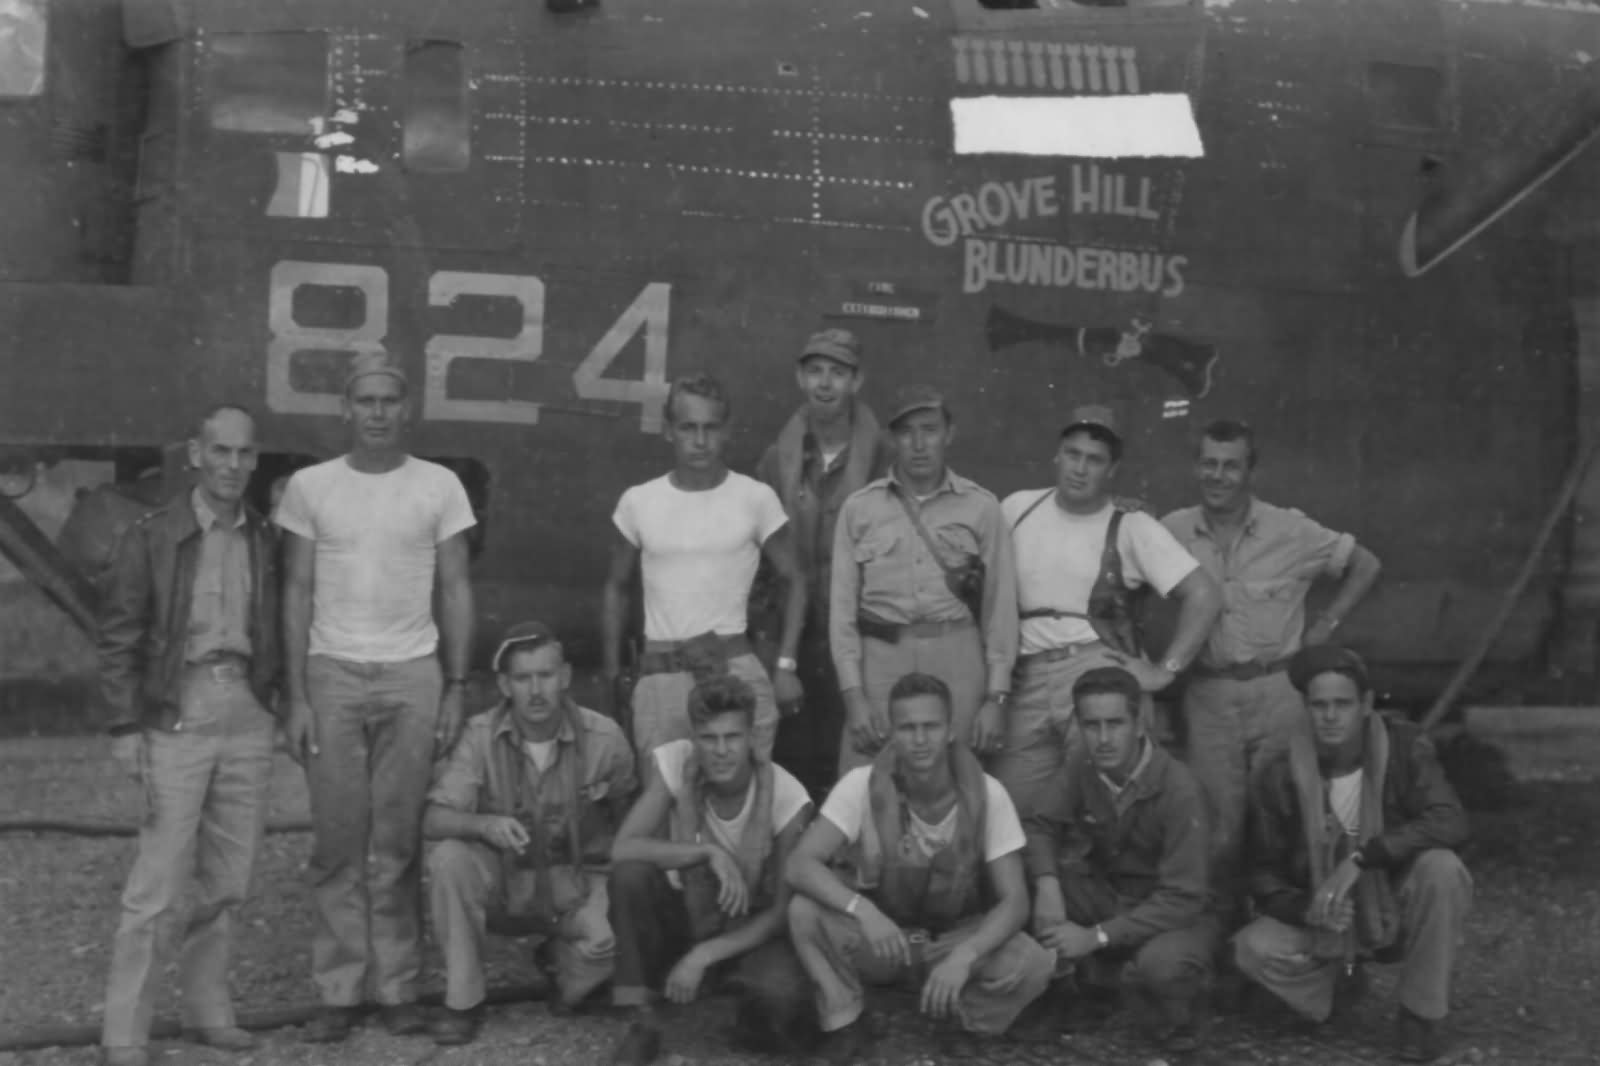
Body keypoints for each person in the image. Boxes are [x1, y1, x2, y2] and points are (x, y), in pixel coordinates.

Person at [274, 351, 478, 1041]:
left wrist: (454, 683)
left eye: (390, 400)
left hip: (412, 674)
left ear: (408, 408)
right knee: (337, 842)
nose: (379, 412)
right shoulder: (309, 488)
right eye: (366, 401)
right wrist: (297, 692)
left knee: (396, 844)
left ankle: (396, 989)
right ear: (345, 409)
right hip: (332, 674)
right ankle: (338, 989)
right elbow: (296, 590)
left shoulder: (440, 486)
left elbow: (454, 588)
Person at [95, 405, 281, 1066]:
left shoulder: (265, 537)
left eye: (245, 453)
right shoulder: (152, 537)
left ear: (256, 460)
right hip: (178, 709)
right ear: (196, 455)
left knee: (229, 880)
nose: (233, 465)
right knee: (158, 884)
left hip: (246, 712)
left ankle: (209, 1011)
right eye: (221, 451)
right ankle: (124, 1034)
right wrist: (124, 726)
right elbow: (119, 636)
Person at [1162, 420, 1383, 927]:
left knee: (1284, 820)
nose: (1218, 476)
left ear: (1250, 471)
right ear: (1197, 467)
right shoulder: (1170, 529)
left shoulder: (1291, 530)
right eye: (1209, 464)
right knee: (1217, 830)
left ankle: (1286, 933)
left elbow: (1366, 564)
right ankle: (1218, 944)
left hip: (1278, 691)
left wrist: (1325, 625)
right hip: (1209, 693)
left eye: (1230, 465)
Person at [784, 673, 1053, 1057]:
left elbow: (1016, 901)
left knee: (1033, 963)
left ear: (950, 730)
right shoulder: (861, 784)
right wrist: (862, 910)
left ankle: (961, 1018)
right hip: (887, 937)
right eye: (908, 728)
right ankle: (846, 1019)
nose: (921, 739)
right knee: (804, 911)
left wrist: (966, 955)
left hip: (954, 937)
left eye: (931, 726)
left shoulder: (988, 792)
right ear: (892, 732)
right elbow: (800, 864)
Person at [1234, 646, 1472, 1063]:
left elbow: (1450, 820)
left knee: (1442, 870)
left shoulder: (1403, 746)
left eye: (1341, 704)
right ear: (1305, 708)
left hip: (1393, 902)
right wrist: (1307, 908)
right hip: (1327, 912)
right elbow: (1261, 872)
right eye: (1318, 705)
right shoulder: (1279, 771)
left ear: (1364, 704)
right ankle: (1334, 987)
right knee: (1251, 949)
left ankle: (1420, 1015)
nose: (1330, 716)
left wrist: (1365, 856)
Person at [995, 405, 1220, 818]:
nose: (1080, 468)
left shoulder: (1132, 525)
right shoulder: (1017, 509)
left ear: (1112, 469)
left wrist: (1165, 670)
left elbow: (1203, 594)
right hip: (1025, 678)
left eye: (1094, 460)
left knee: (1102, 809)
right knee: (1015, 813)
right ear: (1057, 457)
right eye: (1072, 454)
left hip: (1095, 672)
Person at [422, 622, 637, 1045]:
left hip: (577, 884)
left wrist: (608, 895)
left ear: (566, 677)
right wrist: (483, 824)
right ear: (504, 684)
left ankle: (563, 964)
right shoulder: (479, 735)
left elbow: (632, 819)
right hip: (508, 881)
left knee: (610, 941)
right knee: (449, 860)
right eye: (522, 678)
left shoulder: (605, 737)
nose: (536, 691)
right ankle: (464, 1000)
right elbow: (433, 819)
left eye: (546, 675)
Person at [608, 674, 816, 1065]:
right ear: (694, 737)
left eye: (732, 737)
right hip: (687, 911)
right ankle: (640, 1019)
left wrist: (704, 955)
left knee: (782, 997)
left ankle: (726, 998)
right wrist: (706, 854)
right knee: (631, 876)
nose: (721, 751)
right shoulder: (676, 763)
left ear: (751, 737)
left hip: (747, 927)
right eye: (708, 738)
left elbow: (779, 914)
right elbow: (624, 848)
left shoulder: (788, 796)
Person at [603, 372, 805, 762]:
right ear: (668, 430)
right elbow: (615, 585)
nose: (699, 441)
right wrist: (613, 673)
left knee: (740, 803)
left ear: (726, 431)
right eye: (688, 427)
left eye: (710, 428)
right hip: (660, 677)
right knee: (663, 804)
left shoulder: (754, 498)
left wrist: (785, 663)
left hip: (733, 670)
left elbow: (796, 579)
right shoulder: (639, 501)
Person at [1024, 667, 1217, 1053]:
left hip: (1176, 913)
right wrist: (1046, 883)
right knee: (1027, 878)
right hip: (1114, 895)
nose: (1104, 738)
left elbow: (1184, 897)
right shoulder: (1083, 764)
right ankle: (1079, 985)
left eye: (1116, 723)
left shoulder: (1179, 790)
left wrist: (1096, 936)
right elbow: (1040, 824)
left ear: (1140, 723)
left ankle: (1184, 1009)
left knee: (1162, 967)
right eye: (1092, 725)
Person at [829, 385, 1017, 774]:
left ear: (949, 434)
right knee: (864, 777)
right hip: (881, 658)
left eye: (929, 430)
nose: (918, 444)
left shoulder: (981, 507)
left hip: (957, 654)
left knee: (960, 777)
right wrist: (854, 697)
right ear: (891, 438)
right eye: (906, 432)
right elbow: (842, 612)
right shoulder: (860, 509)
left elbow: (1000, 609)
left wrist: (995, 698)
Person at [754, 328, 891, 796]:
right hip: (797, 635)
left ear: (858, 381)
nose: (826, 383)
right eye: (815, 371)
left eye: (838, 372)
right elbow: (765, 562)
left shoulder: (885, 458)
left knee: (856, 759)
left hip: (862, 633)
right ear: (799, 377)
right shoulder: (777, 459)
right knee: (791, 762)